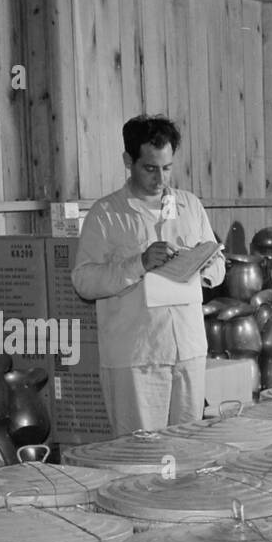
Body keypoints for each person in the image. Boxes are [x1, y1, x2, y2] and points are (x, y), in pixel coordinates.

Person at [72, 115, 226, 435]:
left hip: (188, 352)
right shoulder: (106, 214)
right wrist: (139, 263)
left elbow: (220, 267)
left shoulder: (190, 206)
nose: (161, 179)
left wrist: (206, 264)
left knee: (188, 453)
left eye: (167, 168)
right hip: (137, 359)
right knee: (141, 458)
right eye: (150, 168)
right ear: (128, 161)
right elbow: (84, 282)